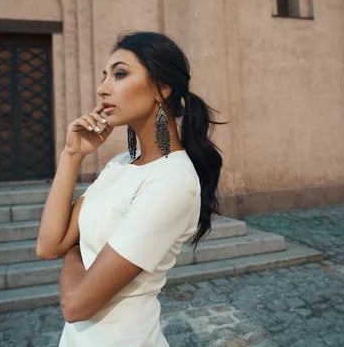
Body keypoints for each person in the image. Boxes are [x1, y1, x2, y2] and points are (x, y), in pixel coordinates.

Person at [36, 31, 224, 346]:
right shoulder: (121, 163)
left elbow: (75, 305)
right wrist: (72, 156)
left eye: (120, 74)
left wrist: (74, 250)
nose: (102, 89)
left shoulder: (172, 181)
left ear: (161, 89)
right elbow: (47, 246)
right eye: (104, 76)